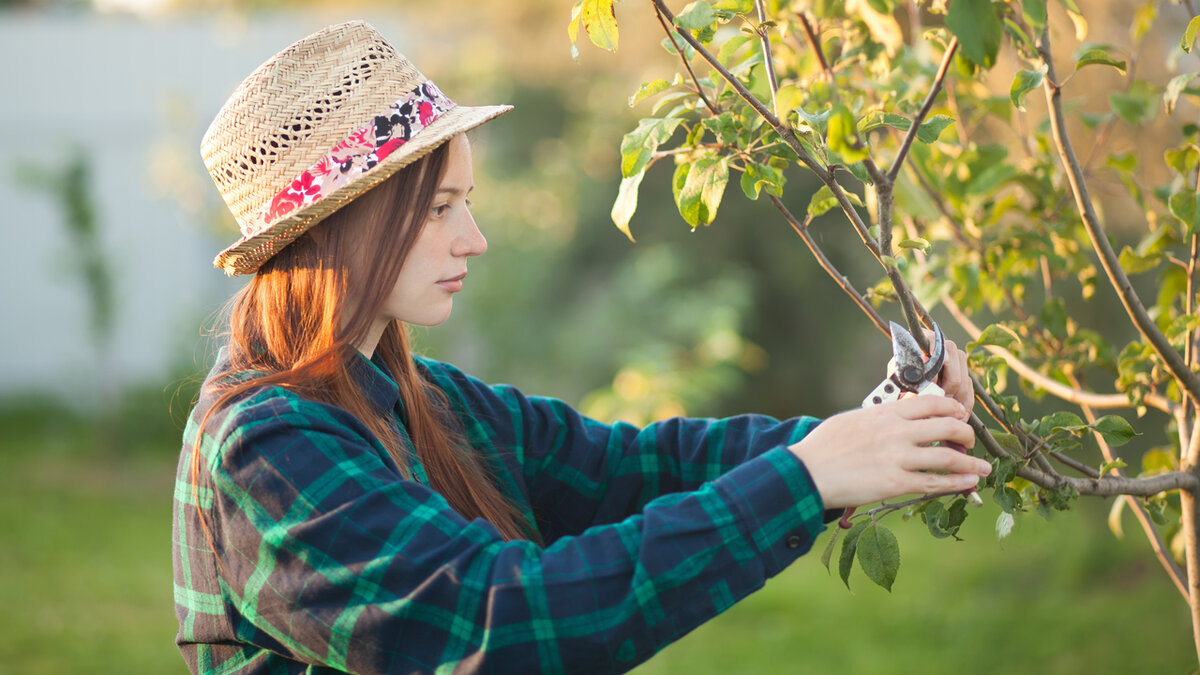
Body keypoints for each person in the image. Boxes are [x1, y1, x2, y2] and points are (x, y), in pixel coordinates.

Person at [172, 19, 991, 675]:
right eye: (439, 208)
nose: (475, 239)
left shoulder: (425, 401)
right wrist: (808, 478)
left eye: (468, 202)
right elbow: (504, 623)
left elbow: (631, 470)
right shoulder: (266, 448)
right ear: (343, 225)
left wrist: (875, 424)